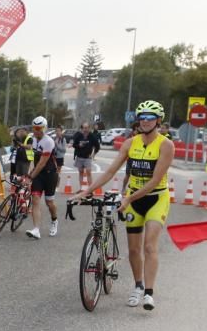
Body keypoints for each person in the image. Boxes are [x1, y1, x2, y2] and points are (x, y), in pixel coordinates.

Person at [74, 100, 174, 310]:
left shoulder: (166, 145)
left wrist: (128, 198)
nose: (145, 122)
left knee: (149, 245)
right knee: (134, 249)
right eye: (142, 118)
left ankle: (149, 292)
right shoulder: (131, 143)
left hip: (156, 198)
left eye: (150, 118)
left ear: (158, 120)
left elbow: (156, 180)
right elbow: (110, 172)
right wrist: (86, 191)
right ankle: (137, 286)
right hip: (134, 200)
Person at [24, 116, 60, 239]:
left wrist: (30, 176)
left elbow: (42, 163)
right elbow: (32, 159)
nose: (36, 131)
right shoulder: (33, 140)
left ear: (44, 128)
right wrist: (28, 173)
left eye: (38, 128)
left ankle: (54, 220)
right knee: (35, 199)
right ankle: (36, 230)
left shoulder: (48, 141)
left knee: (49, 202)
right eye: (34, 128)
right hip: (39, 175)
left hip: (50, 174)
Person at [72, 123, 97, 189]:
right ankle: (81, 188)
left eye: (87, 128)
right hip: (79, 156)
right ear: (82, 129)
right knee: (81, 172)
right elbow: (74, 145)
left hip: (87, 157)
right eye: (84, 128)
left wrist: (93, 155)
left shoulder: (92, 136)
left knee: (88, 172)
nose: (85, 129)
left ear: (89, 128)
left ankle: (90, 189)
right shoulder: (79, 136)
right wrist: (79, 145)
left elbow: (97, 146)